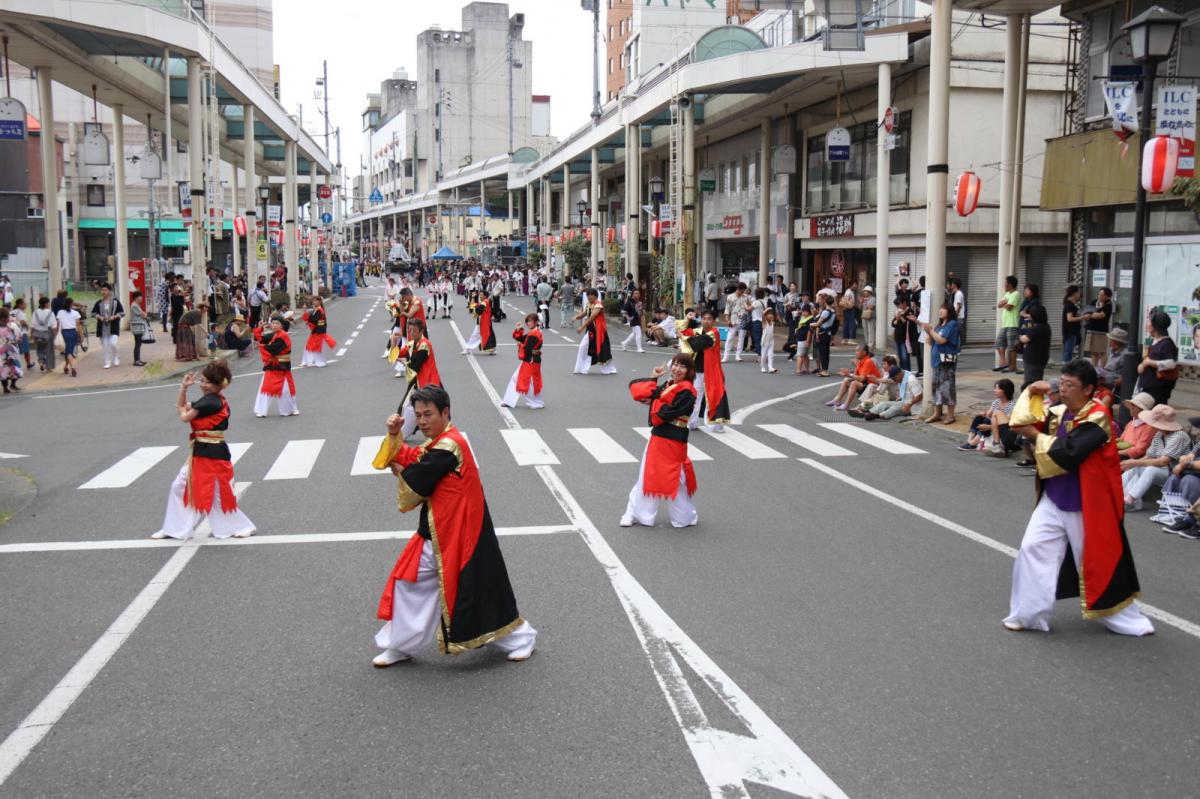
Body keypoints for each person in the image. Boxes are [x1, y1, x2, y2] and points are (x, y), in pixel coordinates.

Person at [370, 385, 537, 667]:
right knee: (412, 583)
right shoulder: (438, 443)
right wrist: (394, 435)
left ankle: (522, 637)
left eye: (428, 415)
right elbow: (414, 460)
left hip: (461, 535)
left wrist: (399, 470)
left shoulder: (449, 446)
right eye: (419, 415)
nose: (422, 421)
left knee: (476, 590)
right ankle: (399, 644)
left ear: (445, 413)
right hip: (440, 531)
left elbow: (415, 482)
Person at [1002, 362, 1154, 636]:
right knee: (1032, 548)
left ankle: (1127, 619)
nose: (1063, 390)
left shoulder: (1098, 417)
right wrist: (1032, 394)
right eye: (1062, 383)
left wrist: (1036, 436)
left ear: (1088, 389)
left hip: (1086, 504)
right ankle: (1028, 614)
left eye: (1070, 386)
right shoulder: (1058, 411)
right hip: (1054, 498)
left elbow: (1069, 454)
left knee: (1099, 561)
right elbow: (1019, 423)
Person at [150, 360, 255, 540]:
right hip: (201, 450)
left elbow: (184, 416)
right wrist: (183, 388)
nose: (203, 385)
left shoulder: (212, 402)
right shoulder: (209, 400)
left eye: (207, 382)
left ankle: (243, 526)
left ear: (218, 385)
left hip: (213, 453)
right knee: (181, 486)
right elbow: (184, 406)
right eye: (203, 381)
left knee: (217, 493)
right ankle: (173, 528)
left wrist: (183, 403)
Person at [621, 354, 699, 528]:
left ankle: (685, 516)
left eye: (682, 366)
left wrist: (654, 402)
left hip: (674, 440)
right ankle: (637, 513)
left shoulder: (688, 391)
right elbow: (641, 395)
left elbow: (665, 413)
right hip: (659, 437)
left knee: (675, 480)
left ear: (689, 371)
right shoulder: (669, 385)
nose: (677, 369)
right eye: (675, 365)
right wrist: (654, 377)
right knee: (647, 476)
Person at [1120, 404, 1190, 511]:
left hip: (1176, 472)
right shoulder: (1159, 435)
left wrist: (1134, 462)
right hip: (1162, 469)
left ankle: (1131, 500)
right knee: (1133, 467)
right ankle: (1115, 492)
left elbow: (1164, 461)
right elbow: (1149, 456)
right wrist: (1131, 463)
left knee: (1150, 469)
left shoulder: (1179, 436)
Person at [392, 318, 442, 436]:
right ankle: (403, 433)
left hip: (428, 384)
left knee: (419, 410)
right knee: (408, 407)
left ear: (421, 331)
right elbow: (395, 355)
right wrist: (394, 342)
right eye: (409, 330)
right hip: (417, 382)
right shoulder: (411, 344)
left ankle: (402, 434)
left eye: (414, 330)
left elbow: (415, 366)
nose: (411, 333)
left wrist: (404, 363)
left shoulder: (425, 345)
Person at [685, 310, 731, 432]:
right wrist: (688, 319)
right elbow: (684, 331)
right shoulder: (699, 330)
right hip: (698, 370)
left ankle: (717, 424)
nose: (706, 321)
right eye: (704, 318)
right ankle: (692, 423)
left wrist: (686, 338)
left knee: (714, 396)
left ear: (714, 320)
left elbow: (697, 344)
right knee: (695, 396)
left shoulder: (714, 332)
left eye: (709, 318)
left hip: (711, 371)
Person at [920, 302, 960, 425]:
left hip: (946, 361)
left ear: (949, 311)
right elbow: (930, 342)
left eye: (943, 309)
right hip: (937, 361)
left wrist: (931, 331)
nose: (940, 311)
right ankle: (937, 413)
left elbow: (942, 340)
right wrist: (928, 332)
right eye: (940, 309)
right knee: (936, 387)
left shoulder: (952, 324)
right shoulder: (939, 326)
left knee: (948, 388)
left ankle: (950, 415)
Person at [253, 315, 299, 417]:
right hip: (272, 366)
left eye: (277, 323)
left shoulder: (283, 336)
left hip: (282, 366)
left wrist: (261, 346)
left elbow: (273, 349)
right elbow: (260, 338)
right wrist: (260, 328)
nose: (274, 325)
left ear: (281, 325)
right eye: (273, 323)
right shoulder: (273, 335)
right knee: (266, 387)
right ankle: (261, 410)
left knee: (286, 389)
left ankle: (290, 409)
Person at [1135, 309, 1179, 406]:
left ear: (1155, 325)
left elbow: (1171, 363)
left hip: (1158, 392)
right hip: (1148, 389)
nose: (1147, 324)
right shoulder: (1154, 341)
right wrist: (1142, 365)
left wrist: (1149, 363)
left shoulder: (1167, 343)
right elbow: (1147, 360)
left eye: (1149, 321)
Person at [502, 313, 544, 409]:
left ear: (536, 322)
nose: (528, 323)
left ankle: (536, 402)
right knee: (525, 380)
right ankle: (509, 401)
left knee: (529, 382)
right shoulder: (534, 332)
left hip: (531, 361)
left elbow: (526, 348)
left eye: (530, 321)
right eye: (527, 321)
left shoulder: (534, 333)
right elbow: (521, 339)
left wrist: (520, 345)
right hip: (531, 360)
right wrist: (518, 329)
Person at [959, 379, 1016, 451]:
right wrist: (983, 413)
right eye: (995, 388)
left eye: (997, 388)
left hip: (1001, 429)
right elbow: (989, 415)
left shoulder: (1012, 405)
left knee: (987, 420)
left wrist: (988, 426)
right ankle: (969, 441)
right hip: (993, 425)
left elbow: (1007, 424)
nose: (995, 390)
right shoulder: (996, 402)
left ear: (1006, 390)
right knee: (979, 417)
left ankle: (974, 443)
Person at [826, 343, 881, 411]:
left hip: (873, 385)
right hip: (865, 383)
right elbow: (855, 375)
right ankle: (837, 400)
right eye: (855, 351)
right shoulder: (861, 361)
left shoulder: (868, 361)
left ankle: (846, 404)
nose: (855, 353)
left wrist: (849, 374)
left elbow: (862, 378)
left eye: (857, 351)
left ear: (864, 352)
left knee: (854, 383)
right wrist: (846, 374)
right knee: (846, 380)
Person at [573, 288, 617, 374]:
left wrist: (582, 327)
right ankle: (581, 368)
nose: (589, 297)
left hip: (599, 331)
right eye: (588, 295)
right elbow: (584, 313)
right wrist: (576, 317)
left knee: (603, 350)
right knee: (583, 347)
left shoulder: (598, 305)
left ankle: (610, 368)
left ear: (596, 296)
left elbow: (591, 317)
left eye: (591, 295)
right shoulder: (589, 304)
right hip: (591, 330)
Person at [91, 282, 125, 369]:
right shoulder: (99, 302)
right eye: (102, 290)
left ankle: (115, 357)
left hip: (113, 326)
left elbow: (122, 312)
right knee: (105, 346)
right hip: (102, 327)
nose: (103, 291)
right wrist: (99, 317)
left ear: (109, 291)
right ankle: (107, 362)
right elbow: (93, 313)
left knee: (113, 343)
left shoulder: (115, 302)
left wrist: (114, 317)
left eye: (105, 290)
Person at [1116, 392, 1158, 461]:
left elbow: (1139, 450)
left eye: (1135, 405)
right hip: (1122, 453)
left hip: (1136, 459)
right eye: (1132, 404)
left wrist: (1116, 453)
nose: (1131, 407)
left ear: (1143, 409)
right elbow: (1121, 440)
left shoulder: (1149, 427)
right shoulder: (1130, 423)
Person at [300, 296, 337, 368]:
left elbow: (315, 320)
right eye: (314, 301)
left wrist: (308, 320)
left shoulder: (319, 310)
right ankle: (308, 361)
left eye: (316, 301)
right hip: (317, 331)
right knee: (311, 347)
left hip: (318, 331)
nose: (314, 302)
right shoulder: (317, 309)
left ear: (320, 302)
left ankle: (316, 361)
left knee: (314, 347)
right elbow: (314, 319)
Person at [1018, 305, 1052, 384]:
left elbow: (1025, 339)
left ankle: (1032, 396)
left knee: (1031, 383)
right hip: (1041, 358)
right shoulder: (1046, 326)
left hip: (1033, 359)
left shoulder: (1037, 328)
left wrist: (1020, 336)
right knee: (1037, 380)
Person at [994, 275, 1021, 374]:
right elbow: (999, 305)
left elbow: (1009, 307)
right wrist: (1005, 302)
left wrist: (1005, 303)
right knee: (999, 343)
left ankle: (1013, 366)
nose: (1004, 285)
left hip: (1013, 323)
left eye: (1005, 283)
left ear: (1010, 284)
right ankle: (1003, 362)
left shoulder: (1016, 294)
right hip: (1005, 324)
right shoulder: (1007, 294)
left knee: (1012, 346)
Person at [1082, 287, 1114, 366]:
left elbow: (1101, 315)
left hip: (1101, 331)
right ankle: (1094, 368)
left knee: (1101, 351)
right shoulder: (1094, 302)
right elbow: (1086, 312)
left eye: (1102, 295)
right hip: (1091, 329)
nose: (1099, 296)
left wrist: (1091, 314)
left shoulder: (1108, 304)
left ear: (1108, 296)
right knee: (1093, 351)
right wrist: (1091, 314)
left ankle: (1102, 370)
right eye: (1099, 294)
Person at [721, 283, 751, 362]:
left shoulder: (745, 297)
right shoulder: (730, 297)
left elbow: (749, 306)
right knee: (729, 338)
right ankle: (725, 357)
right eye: (743, 290)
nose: (743, 292)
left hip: (743, 319)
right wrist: (728, 320)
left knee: (741, 338)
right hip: (733, 319)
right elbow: (727, 309)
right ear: (739, 289)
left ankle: (738, 356)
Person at [461, 291, 497, 355]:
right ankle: (492, 350)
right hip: (485, 323)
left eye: (481, 295)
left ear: (485, 296)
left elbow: (477, 311)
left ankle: (467, 349)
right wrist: (472, 297)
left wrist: (475, 312)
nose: (480, 296)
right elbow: (472, 306)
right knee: (489, 335)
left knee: (475, 336)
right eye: (479, 295)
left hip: (483, 323)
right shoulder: (484, 302)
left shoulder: (485, 302)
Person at [1095, 327, 1130, 392]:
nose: (1110, 342)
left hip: (1115, 376)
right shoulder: (1110, 350)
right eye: (1111, 340)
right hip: (1106, 373)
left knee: (1096, 379)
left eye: (1113, 340)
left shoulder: (1125, 354)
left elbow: (1124, 374)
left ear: (1119, 342)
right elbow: (1102, 365)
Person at [55, 298, 83, 377]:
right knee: (70, 351)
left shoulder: (60, 312)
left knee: (68, 351)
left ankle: (66, 366)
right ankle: (73, 367)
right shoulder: (75, 313)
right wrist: (81, 335)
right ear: (71, 304)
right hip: (73, 332)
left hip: (64, 332)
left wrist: (56, 334)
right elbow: (78, 325)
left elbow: (58, 324)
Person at [810, 294, 836, 377]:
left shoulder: (825, 312)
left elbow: (818, 323)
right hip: (828, 333)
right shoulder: (833, 311)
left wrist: (811, 324)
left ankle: (824, 371)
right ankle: (825, 369)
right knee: (826, 352)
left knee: (822, 353)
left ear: (825, 302)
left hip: (822, 333)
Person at [29, 296, 57, 373]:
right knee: (49, 351)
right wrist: (54, 336)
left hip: (37, 333)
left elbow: (32, 324)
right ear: (46, 304)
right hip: (48, 333)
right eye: (48, 303)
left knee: (39, 349)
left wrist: (31, 335)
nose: (49, 304)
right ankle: (49, 367)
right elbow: (54, 326)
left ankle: (41, 362)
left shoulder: (35, 312)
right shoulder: (50, 313)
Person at [0, 308, 23, 393]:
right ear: (2, 318)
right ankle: (6, 387)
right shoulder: (12, 326)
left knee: (14, 369)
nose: (8, 319)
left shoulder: (12, 326)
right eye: (7, 317)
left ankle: (12, 384)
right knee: (3, 370)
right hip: (3, 353)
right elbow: (20, 338)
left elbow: (20, 337)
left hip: (11, 352)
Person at [1061, 285, 1083, 364]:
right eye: (1078, 292)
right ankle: (1066, 370)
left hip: (1070, 331)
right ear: (1074, 293)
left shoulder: (1069, 304)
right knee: (1068, 353)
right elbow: (1069, 319)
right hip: (1070, 332)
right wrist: (1083, 317)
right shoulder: (1070, 305)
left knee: (1068, 351)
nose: (1080, 294)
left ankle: (1065, 368)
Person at [129, 290, 149, 367]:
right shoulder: (134, 305)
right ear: (136, 298)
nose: (142, 298)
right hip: (137, 328)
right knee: (137, 344)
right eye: (140, 297)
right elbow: (143, 315)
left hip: (139, 327)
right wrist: (144, 314)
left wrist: (144, 314)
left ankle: (138, 359)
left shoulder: (136, 305)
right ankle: (136, 360)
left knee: (138, 343)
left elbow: (143, 314)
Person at [748, 286, 768, 355]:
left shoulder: (756, 302)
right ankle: (764, 352)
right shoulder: (765, 301)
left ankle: (760, 353)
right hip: (764, 321)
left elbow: (748, 309)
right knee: (763, 338)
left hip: (756, 321)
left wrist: (744, 304)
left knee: (757, 338)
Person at [839, 279, 858, 345]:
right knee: (851, 324)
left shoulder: (848, 291)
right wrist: (850, 304)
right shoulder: (849, 292)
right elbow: (847, 300)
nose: (856, 286)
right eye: (855, 284)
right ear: (851, 285)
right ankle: (850, 339)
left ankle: (844, 339)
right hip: (849, 309)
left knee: (846, 324)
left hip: (846, 309)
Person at [759, 308, 778, 374]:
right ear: (766, 316)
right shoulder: (765, 322)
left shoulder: (772, 323)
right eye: (769, 314)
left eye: (771, 314)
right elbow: (762, 315)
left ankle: (770, 367)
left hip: (771, 341)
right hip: (765, 341)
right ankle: (763, 367)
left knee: (770, 354)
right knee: (764, 355)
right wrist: (767, 309)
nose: (771, 316)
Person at [860, 285, 877, 353]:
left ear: (869, 292)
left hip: (871, 316)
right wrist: (861, 302)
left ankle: (871, 346)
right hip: (864, 316)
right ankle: (867, 344)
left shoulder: (873, 298)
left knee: (871, 331)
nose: (864, 292)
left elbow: (871, 307)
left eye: (866, 291)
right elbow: (861, 307)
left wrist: (865, 302)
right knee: (865, 331)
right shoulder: (864, 298)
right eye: (864, 291)